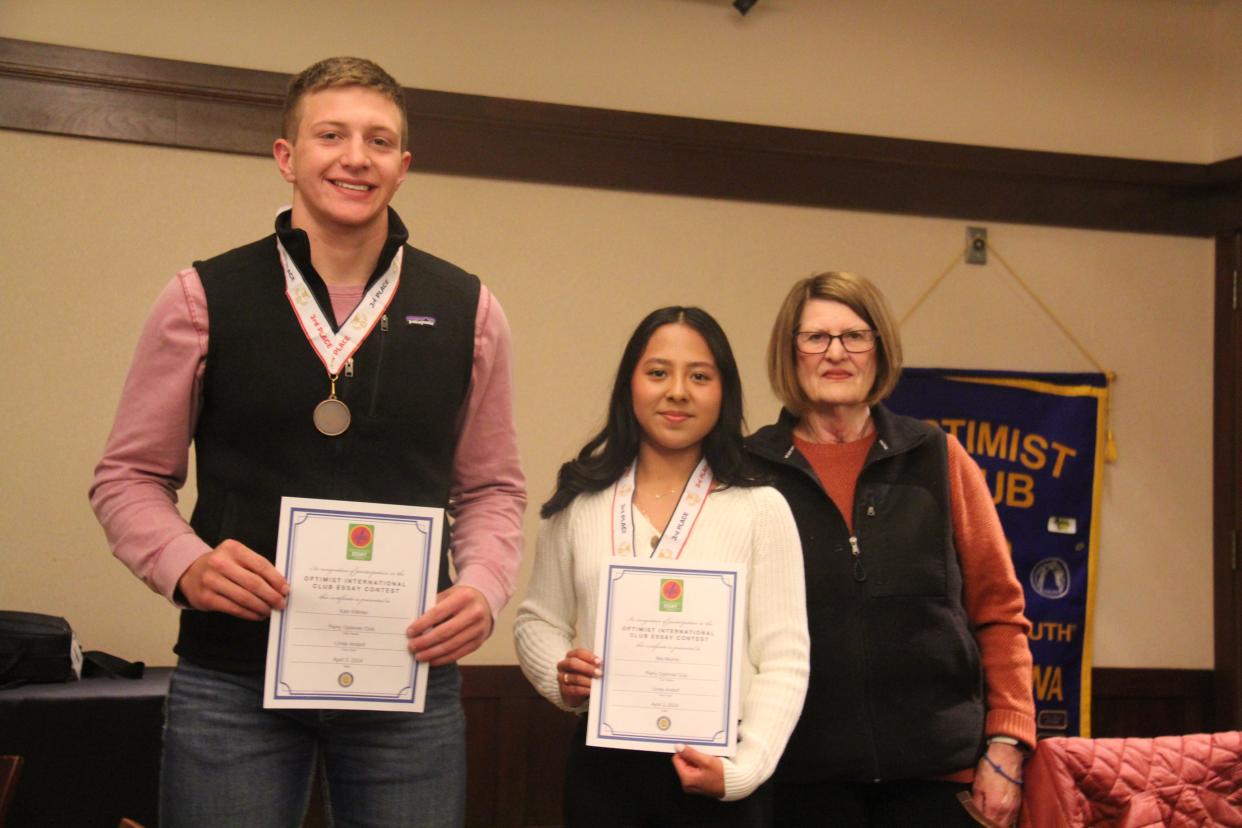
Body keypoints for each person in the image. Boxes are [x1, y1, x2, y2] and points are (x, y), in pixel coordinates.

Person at [89, 57, 525, 827]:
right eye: (331, 135)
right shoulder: (201, 298)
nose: (356, 157)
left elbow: (491, 489)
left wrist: (483, 588)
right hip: (232, 681)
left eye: (379, 141)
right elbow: (128, 478)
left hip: (408, 679)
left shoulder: (470, 310)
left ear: (403, 167)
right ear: (287, 156)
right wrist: (186, 564)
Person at [745, 272, 1035, 827]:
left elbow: (999, 610)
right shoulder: (749, 472)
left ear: (879, 351)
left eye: (855, 336)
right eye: (816, 338)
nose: (836, 353)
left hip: (939, 782)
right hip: (795, 782)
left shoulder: (941, 458)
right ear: (791, 352)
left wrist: (1008, 742)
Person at [514, 306, 809, 827]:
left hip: (718, 775)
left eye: (699, 376)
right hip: (605, 773)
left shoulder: (762, 508)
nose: (678, 391)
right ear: (630, 384)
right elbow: (538, 620)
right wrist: (560, 675)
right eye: (658, 373)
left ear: (724, 392)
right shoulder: (580, 502)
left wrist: (741, 770)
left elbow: (784, 659)